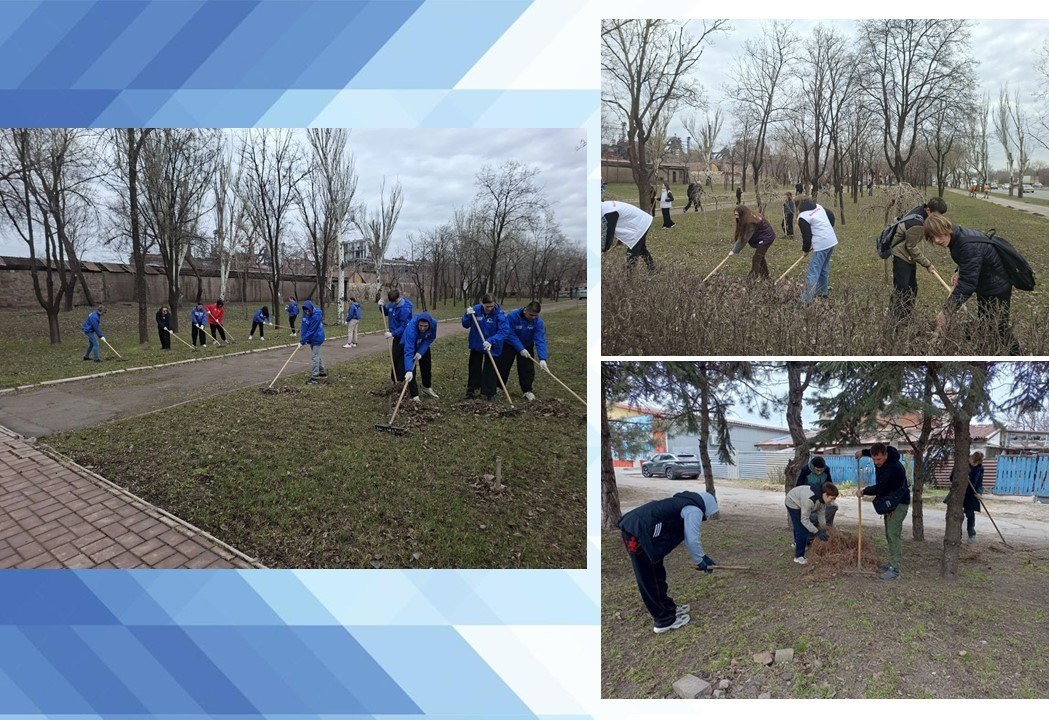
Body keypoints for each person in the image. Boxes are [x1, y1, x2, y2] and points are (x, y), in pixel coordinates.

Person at [618, 491, 720, 633]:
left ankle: (668, 607)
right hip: (638, 533)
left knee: (656, 571)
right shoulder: (693, 510)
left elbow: (683, 533)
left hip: (642, 532)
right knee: (649, 577)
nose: (706, 517)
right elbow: (692, 538)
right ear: (706, 507)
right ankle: (664, 621)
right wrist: (700, 560)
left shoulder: (683, 503)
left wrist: (703, 556)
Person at [924, 214, 1021, 354]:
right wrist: (959, 271)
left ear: (946, 228)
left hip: (997, 287)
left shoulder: (966, 244)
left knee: (999, 326)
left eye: (938, 235)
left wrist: (946, 311)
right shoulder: (957, 236)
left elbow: (967, 284)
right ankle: (991, 349)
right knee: (987, 322)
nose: (937, 240)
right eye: (932, 238)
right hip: (986, 286)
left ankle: (1017, 354)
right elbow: (972, 260)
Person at [855, 443, 910, 581]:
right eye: (874, 459)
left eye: (879, 459)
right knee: (888, 533)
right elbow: (872, 451)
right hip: (890, 501)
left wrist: (864, 491)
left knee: (893, 534)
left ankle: (895, 569)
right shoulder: (884, 456)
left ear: (886, 455)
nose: (876, 462)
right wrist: (862, 452)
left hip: (898, 503)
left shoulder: (893, 469)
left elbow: (881, 487)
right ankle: (891, 563)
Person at [889, 198, 946, 320]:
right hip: (901, 256)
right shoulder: (917, 223)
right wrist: (927, 264)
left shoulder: (922, 211)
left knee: (912, 288)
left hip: (908, 256)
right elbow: (911, 246)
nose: (938, 219)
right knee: (902, 290)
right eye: (936, 216)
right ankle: (896, 319)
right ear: (929, 210)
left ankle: (907, 315)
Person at [461, 293, 509, 402]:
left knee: (490, 368)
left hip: (492, 345)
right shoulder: (475, 310)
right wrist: (467, 315)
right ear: (482, 304)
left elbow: (504, 331)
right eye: (487, 306)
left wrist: (491, 340)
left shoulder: (499, 314)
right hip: (477, 343)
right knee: (474, 367)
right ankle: (471, 390)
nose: (489, 308)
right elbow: (465, 324)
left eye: (491, 306)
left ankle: (489, 392)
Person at [499, 301, 548, 401]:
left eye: (535, 315)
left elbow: (540, 339)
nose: (533, 317)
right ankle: (499, 387)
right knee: (503, 365)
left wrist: (542, 358)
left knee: (527, 368)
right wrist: (520, 348)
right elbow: (509, 333)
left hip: (527, 345)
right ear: (526, 310)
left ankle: (527, 390)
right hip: (510, 344)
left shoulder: (538, 322)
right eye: (531, 315)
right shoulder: (513, 316)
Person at [785, 481, 838, 565]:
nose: (832, 501)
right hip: (792, 501)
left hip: (800, 500)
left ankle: (797, 542)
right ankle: (799, 557)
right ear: (825, 494)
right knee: (802, 530)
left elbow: (821, 514)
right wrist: (817, 531)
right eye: (831, 498)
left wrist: (823, 528)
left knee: (799, 526)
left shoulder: (822, 499)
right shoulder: (810, 500)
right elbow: (804, 520)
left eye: (834, 499)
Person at [797, 198, 838, 304]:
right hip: (831, 240)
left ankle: (805, 301)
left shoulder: (802, 217)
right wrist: (828, 229)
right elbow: (831, 216)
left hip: (822, 244)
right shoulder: (818, 207)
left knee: (813, 273)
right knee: (823, 268)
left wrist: (805, 250)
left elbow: (807, 236)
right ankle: (822, 293)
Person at [602, 199, 655, 270]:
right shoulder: (605, 206)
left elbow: (609, 232)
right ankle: (652, 269)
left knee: (632, 252)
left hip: (640, 223)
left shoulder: (609, 212)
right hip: (640, 221)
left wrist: (604, 249)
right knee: (641, 249)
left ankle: (630, 278)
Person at [730, 205, 776, 280]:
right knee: (760, 257)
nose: (736, 217)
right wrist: (735, 247)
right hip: (763, 237)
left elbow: (744, 238)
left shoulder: (750, 222)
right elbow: (742, 234)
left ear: (742, 213)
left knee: (756, 258)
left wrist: (735, 250)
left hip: (767, 238)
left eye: (738, 215)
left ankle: (751, 280)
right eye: (735, 215)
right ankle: (766, 278)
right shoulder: (747, 217)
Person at [401, 312, 439, 402]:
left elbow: (431, 338)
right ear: (418, 323)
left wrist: (421, 352)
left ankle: (427, 387)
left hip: (423, 343)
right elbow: (408, 352)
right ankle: (414, 395)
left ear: (429, 324)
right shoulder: (411, 330)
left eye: (425, 326)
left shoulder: (434, 323)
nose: (422, 328)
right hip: (410, 344)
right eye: (421, 325)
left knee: (426, 366)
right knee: (411, 371)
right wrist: (409, 370)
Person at [948, 452, 985, 543]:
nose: (975, 464)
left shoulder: (980, 468)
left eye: (977, 463)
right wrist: (961, 476)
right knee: (957, 515)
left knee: (970, 515)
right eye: (974, 462)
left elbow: (979, 483)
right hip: (959, 493)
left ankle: (971, 534)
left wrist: (979, 493)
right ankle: (957, 536)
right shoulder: (961, 464)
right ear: (970, 458)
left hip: (971, 494)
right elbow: (951, 478)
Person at [381, 289, 414, 384]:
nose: (392, 304)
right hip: (396, 337)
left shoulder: (405, 308)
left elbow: (405, 325)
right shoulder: (392, 304)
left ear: (398, 298)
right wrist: (382, 306)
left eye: (394, 301)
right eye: (391, 302)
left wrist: (393, 333)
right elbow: (386, 312)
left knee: (400, 357)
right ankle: (394, 379)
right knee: (395, 356)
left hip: (404, 336)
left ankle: (400, 379)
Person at [796, 456, 837, 527]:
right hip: (808, 498)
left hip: (821, 497)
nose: (819, 472)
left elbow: (829, 484)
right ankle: (813, 529)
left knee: (833, 507)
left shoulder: (827, 470)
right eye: (817, 470)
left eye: (821, 470)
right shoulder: (805, 470)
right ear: (813, 467)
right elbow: (799, 486)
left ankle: (828, 527)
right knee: (812, 515)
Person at [299, 300, 326, 384]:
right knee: (317, 355)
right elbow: (304, 325)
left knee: (315, 357)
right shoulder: (305, 313)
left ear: (310, 309)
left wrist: (303, 341)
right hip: (311, 338)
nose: (307, 312)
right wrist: (303, 338)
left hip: (317, 337)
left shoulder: (316, 316)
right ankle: (322, 372)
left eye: (308, 310)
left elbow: (311, 330)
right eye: (305, 311)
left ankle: (314, 377)